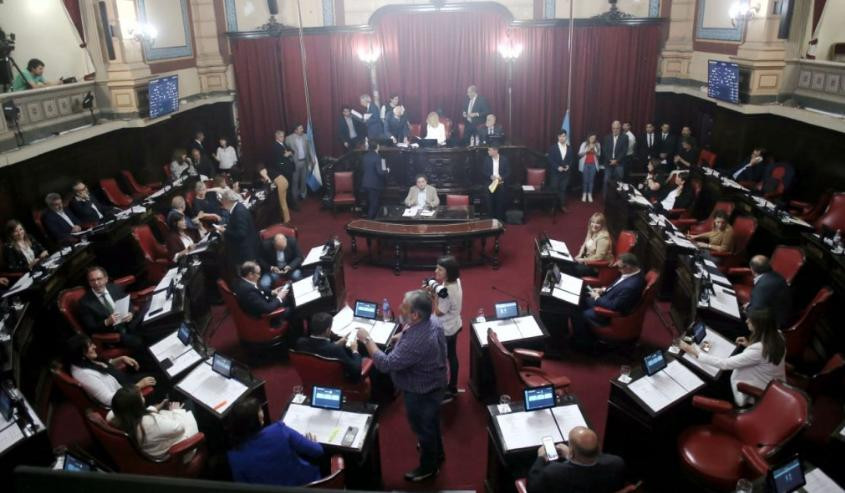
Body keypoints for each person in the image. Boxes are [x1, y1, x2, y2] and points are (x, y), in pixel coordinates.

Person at [357, 290, 447, 482]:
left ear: (415, 315)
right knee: (431, 423)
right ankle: (437, 452)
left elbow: (386, 364)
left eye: (404, 306)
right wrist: (402, 337)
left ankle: (429, 467)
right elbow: (429, 343)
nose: (399, 308)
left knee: (423, 428)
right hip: (436, 381)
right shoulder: (432, 320)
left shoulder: (416, 341)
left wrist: (367, 340)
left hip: (420, 391)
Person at [680, 309, 786, 407]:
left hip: (751, 390)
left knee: (709, 380)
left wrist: (696, 352)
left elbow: (724, 364)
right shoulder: (778, 335)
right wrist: (749, 346)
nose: (747, 321)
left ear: (759, 326)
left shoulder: (759, 350)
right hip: (768, 384)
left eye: (751, 320)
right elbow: (765, 357)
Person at [227, 397, 323, 486]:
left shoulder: (234, 457)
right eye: (260, 410)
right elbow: (318, 451)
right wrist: (313, 443)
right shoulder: (278, 430)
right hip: (307, 484)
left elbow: (243, 487)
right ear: (258, 418)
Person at [108, 386, 200, 460]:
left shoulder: (116, 418)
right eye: (141, 397)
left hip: (152, 448)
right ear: (136, 406)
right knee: (189, 402)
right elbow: (180, 428)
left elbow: (140, 414)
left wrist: (158, 406)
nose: (143, 397)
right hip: (177, 452)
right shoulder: (151, 424)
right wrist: (176, 411)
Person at [572, 253, 645, 347]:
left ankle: (583, 342)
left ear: (628, 267)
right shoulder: (634, 272)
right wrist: (603, 290)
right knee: (579, 296)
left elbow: (614, 306)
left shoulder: (631, 286)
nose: (618, 270)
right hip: (607, 297)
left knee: (576, 311)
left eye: (619, 268)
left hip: (606, 314)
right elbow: (618, 285)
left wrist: (597, 297)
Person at [64, 334, 155, 408]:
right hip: (126, 394)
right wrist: (138, 386)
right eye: (90, 346)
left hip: (126, 382)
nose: (95, 346)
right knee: (160, 379)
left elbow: (103, 366)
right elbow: (111, 400)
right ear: (82, 353)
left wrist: (120, 359)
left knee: (149, 364)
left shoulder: (84, 360)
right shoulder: (85, 376)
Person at [526, 426, 626, 493]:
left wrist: (540, 458)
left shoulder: (553, 472)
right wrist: (570, 456)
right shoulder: (617, 463)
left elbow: (532, 489)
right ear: (598, 447)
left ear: (572, 450)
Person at [78, 265, 144, 350]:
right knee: (140, 342)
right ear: (89, 282)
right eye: (92, 280)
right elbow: (91, 328)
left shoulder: (115, 287)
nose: (96, 283)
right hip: (115, 333)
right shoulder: (84, 303)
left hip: (130, 323)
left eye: (99, 279)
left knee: (151, 328)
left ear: (106, 279)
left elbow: (129, 303)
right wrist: (106, 322)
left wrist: (131, 313)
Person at [427, 256, 462, 402]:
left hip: (446, 330)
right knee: (452, 356)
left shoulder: (446, 292)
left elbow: (437, 312)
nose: (436, 271)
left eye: (440, 269)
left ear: (448, 272)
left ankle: (445, 389)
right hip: (455, 324)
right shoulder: (456, 281)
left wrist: (432, 295)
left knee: (442, 359)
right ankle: (452, 386)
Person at [295, 312, 362, 382]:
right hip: (334, 382)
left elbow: (322, 348)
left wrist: (336, 343)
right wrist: (355, 350)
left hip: (311, 377)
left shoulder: (301, 342)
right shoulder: (336, 350)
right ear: (327, 330)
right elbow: (356, 370)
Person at [217, 189, 262, 269]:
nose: (222, 203)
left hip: (245, 254)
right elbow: (237, 226)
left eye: (222, 200)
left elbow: (241, 234)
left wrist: (225, 231)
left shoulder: (239, 212)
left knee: (248, 277)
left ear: (227, 200)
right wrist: (227, 227)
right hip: (246, 251)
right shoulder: (238, 207)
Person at [745, 255, 792, 329]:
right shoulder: (775, 276)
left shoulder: (763, 286)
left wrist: (747, 308)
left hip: (770, 326)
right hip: (779, 317)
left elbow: (756, 313)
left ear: (752, 269)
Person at [263, 129, 296, 219]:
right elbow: (279, 161)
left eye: (283, 136)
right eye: (281, 136)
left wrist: (289, 153)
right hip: (283, 171)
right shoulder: (275, 146)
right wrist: (286, 155)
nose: (283, 138)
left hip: (288, 169)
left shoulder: (283, 144)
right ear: (277, 136)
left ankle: (291, 204)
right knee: (286, 189)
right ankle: (290, 206)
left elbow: (291, 151)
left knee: (289, 188)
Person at [571, 213, 613, 277]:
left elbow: (599, 257)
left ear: (602, 225)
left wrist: (582, 260)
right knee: (567, 264)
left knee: (573, 269)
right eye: (592, 222)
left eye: (597, 223)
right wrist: (579, 255)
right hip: (587, 260)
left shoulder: (603, 238)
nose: (594, 225)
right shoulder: (592, 231)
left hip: (596, 267)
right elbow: (584, 244)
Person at [547, 130, 575, 213]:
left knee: (563, 189)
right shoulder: (553, 147)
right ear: (558, 137)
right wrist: (557, 167)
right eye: (561, 136)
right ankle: (552, 206)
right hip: (555, 173)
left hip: (566, 173)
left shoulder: (569, 148)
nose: (562, 138)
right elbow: (549, 159)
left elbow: (572, 159)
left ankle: (562, 205)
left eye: (564, 136)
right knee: (554, 189)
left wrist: (569, 166)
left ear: (566, 137)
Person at [285, 124, 312, 202]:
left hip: (304, 161)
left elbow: (309, 148)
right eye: (300, 128)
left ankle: (303, 194)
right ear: (295, 130)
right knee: (295, 181)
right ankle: (295, 197)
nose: (302, 129)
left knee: (304, 179)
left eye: (302, 128)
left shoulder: (306, 136)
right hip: (295, 163)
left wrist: (310, 159)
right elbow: (286, 150)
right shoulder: (288, 138)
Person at [361, 141, 388, 219]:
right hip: (374, 185)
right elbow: (381, 172)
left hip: (365, 183)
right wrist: (387, 170)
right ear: (377, 147)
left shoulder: (365, 156)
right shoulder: (378, 157)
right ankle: (370, 222)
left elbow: (363, 169)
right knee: (374, 205)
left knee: (369, 203)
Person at [601, 120, 629, 197]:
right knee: (606, 181)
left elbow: (624, 151)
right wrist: (611, 160)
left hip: (619, 163)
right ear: (611, 128)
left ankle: (616, 199)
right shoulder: (607, 137)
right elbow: (604, 150)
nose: (615, 130)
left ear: (620, 128)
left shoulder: (625, 137)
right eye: (613, 128)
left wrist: (616, 160)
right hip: (608, 163)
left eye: (617, 128)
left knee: (618, 182)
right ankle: (605, 199)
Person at [483, 145, 510, 221]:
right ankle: (490, 219)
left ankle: (499, 219)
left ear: (495, 151)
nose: (488, 152)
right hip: (490, 182)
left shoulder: (504, 159)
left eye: (489, 150)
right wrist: (490, 176)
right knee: (489, 201)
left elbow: (508, 172)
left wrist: (501, 177)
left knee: (500, 201)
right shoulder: (486, 159)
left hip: (500, 182)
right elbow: (484, 172)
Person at [577, 134, 601, 203]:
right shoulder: (584, 144)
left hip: (593, 164)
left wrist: (595, 152)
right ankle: (584, 194)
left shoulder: (597, 144)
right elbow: (579, 154)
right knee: (585, 180)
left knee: (591, 180)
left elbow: (599, 155)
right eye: (591, 137)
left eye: (594, 138)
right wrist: (587, 151)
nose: (592, 139)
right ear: (588, 137)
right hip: (585, 164)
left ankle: (589, 194)